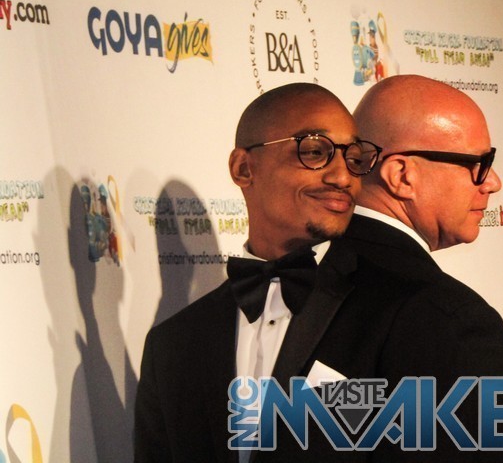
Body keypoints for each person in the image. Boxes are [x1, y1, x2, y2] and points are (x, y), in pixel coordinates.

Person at [134, 82, 414, 462]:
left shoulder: (401, 315)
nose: (343, 178)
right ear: (243, 168)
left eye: (354, 158)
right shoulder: (172, 346)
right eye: (315, 152)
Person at [342, 74, 503, 462]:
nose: (493, 182)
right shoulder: (451, 320)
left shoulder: (292, 279)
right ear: (402, 175)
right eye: (478, 164)